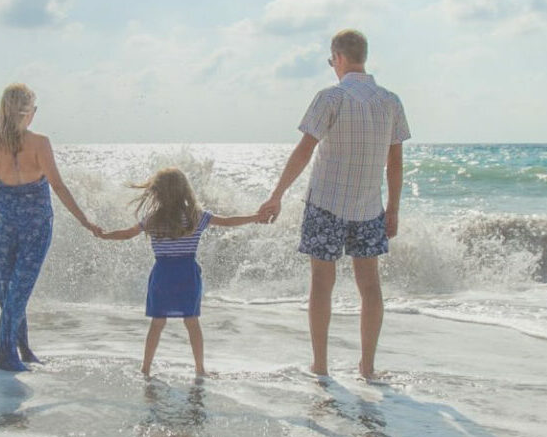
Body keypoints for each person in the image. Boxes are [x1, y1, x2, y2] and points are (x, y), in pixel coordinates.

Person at [255, 29, 409, 380]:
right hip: (370, 207)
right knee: (370, 286)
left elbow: (305, 150)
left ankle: (321, 366)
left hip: (326, 203)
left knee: (322, 284)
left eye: (331, 61)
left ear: (338, 57)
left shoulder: (331, 97)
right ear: (363, 57)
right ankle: (367, 367)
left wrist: (277, 194)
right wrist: (394, 208)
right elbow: (395, 163)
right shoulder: (391, 101)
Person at [0, 83, 98, 372]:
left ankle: (22, 349)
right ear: (29, 112)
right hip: (35, 220)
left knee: (10, 289)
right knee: (17, 288)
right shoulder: (40, 142)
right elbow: (57, 185)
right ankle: (4, 352)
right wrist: (84, 220)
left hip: (3, 217)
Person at [93, 167, 260, 377]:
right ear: (185, 191)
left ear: (157, 193)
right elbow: (228, 221)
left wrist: (105, 235)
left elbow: (127, 235)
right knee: (192, 322)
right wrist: (255, 217)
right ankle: (200, 369)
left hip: (162, 275)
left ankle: (145, 368)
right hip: (187, 274)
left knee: (157, 323)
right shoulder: (196, 217)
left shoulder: (152, 219)